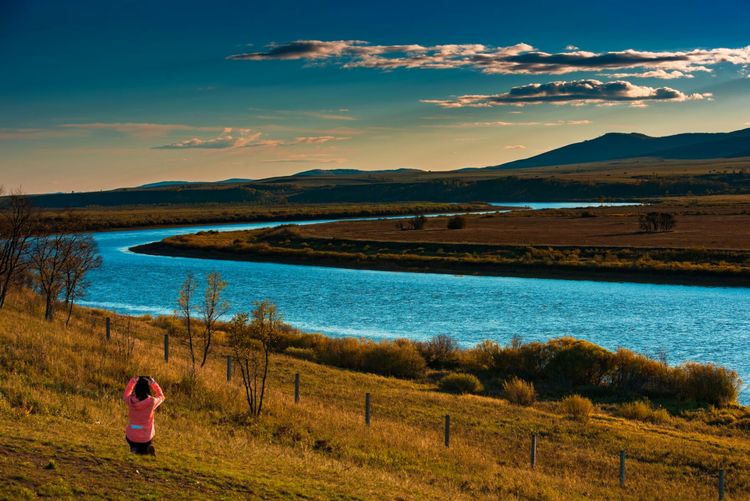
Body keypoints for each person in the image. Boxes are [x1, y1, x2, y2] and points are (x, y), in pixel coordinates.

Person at [122, 376, 165, 456]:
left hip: (132, 434)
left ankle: (134, 448)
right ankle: (147, 448)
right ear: (147, 389)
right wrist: (153, 383)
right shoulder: (151, 402)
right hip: (146, 435)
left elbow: (125, 395)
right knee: (146, 442)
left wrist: (133, 381)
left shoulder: (130, 400)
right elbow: (161, 396)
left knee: (132, 438)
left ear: (137, 388)